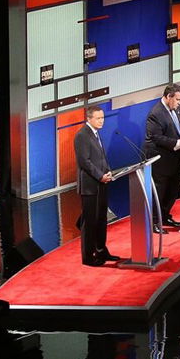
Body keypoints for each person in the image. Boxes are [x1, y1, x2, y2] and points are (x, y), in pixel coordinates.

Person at [143, 83, 180, 229]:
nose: (179, 103)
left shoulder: (178, 109)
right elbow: (156, 137)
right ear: (168, 97)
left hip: (177, 157)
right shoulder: (155, 113)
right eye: (177, 100)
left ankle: (165, 217)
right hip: (162, 159)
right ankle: (154, 222)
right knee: (159, 192)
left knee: (172, 191)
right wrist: (177, 141)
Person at [74, 105, 117, 266]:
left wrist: (108, 172)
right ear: (89, 118)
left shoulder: (96, 134)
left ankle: (101, 250)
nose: (101, 121)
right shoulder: (82, 136)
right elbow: (84, 162)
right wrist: (100, 176)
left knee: (101, 219)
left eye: (103, 118)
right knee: (89, 221)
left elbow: (100, 158)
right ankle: (88, 257)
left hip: (102, 184)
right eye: (98, 118)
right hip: (90, 186)